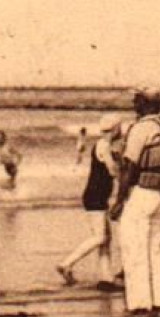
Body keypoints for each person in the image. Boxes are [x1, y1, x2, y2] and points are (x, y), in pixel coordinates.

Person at [111, 87, 160, 317]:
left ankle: (140, 306)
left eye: (137, 100)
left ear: (146, 104)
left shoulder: (141, 129)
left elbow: (129, 166)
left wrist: (119, 200)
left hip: (142, 191)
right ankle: (159, 303)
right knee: (155, 249)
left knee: (134, 248)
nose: (134, 103)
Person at [57, 115, 123, 287]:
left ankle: (106, 277)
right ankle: (66, 263)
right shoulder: (103, 146)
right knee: (100, 237)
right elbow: (112, 171)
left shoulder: (103, 145)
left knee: (106, 239)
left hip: (97, 195)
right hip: (96, 195)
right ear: (116, 129)